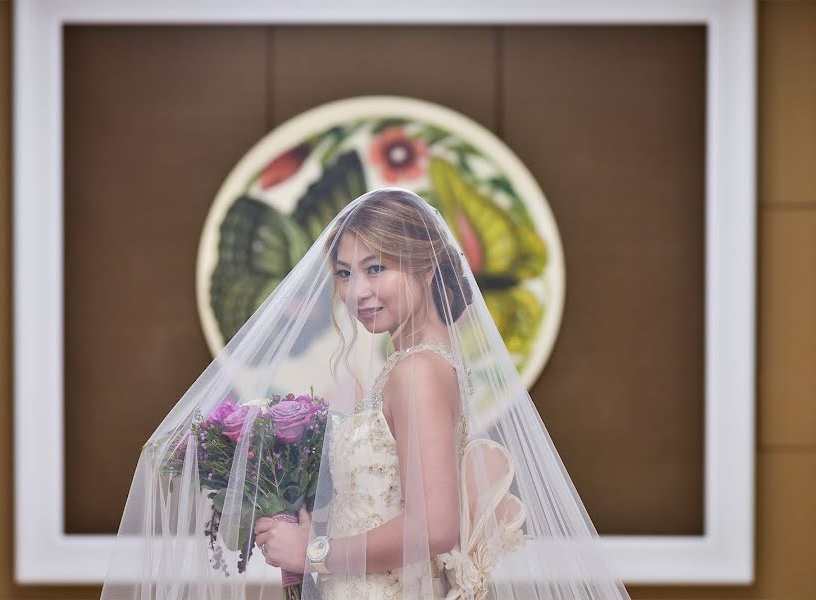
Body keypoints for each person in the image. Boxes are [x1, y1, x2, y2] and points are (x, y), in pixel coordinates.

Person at [100, 188, 631, 600]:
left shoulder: (419, 371)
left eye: (377, 268)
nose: (357, 292)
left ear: (423, 265)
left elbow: (438, 527)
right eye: (345, 274)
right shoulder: (416, 365)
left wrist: (316, 551)